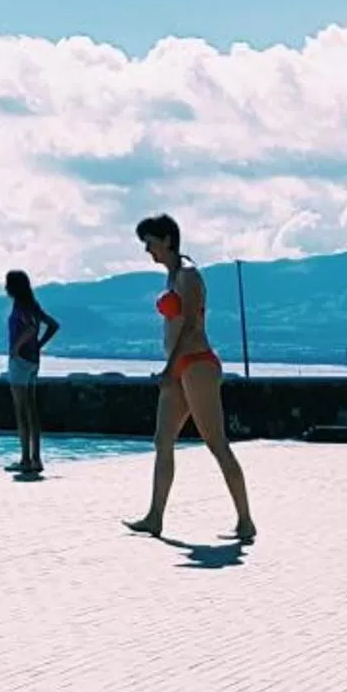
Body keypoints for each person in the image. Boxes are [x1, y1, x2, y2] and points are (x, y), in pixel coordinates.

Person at [126, 213, 256, 544]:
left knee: (216, 443)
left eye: (150, 243)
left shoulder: (188, 275)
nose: (147, 251)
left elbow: (191, 327)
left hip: (197, 363)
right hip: (180, 364)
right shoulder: (172, 277)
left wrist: (170, 369)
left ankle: (245, 520)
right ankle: (155, 516)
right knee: (162, 439)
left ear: (167, 240)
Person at [4, 269, 59, 476]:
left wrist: (16, 349)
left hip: (20, 362)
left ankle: (25, 459)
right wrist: (39, 345)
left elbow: (30, 329)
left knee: (21, 411)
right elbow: (52, 325)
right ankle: (36, 458)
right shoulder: (33, 307)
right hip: (34, 361)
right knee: (32, 411)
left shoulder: (19, 307)